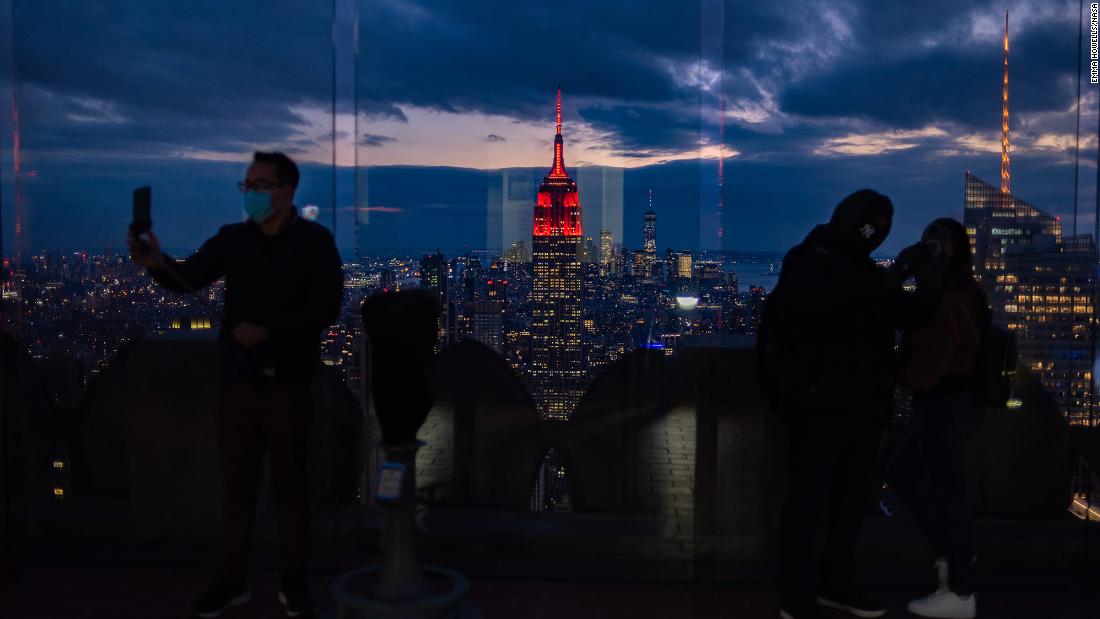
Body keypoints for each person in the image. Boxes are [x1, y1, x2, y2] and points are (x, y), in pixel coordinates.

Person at [128, 151, 344, 619]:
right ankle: (232, 581)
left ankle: (292, 581)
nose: (250, 194)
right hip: (239, 385)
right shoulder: (233, 240)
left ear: (285, 191)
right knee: (238, 489)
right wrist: (155, 262)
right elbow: (189, 279)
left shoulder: (313, 243)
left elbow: (326, 306)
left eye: (259, 185)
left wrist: (269, 332)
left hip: (287, 383)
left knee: (291, 488)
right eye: (246, 186)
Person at [759, 189, 941, 619]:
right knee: (812, 503)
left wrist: (902, 274)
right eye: (875, 225)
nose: (876, 232)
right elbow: (883, 305)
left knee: (843, 504)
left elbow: (892, 308)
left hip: (846, 407)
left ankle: (828, 587)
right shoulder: (816, 261)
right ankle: (801, 595)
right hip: (822, 407)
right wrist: (912, 272)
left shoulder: (821, 261)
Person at [889, 218, 987, 619]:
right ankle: (955, 560)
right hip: (960, 402)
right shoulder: (967, 291)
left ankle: (961, 590)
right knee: (922, 480)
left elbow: (926, 367)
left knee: (942, 491)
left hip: (942, 403)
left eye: (935, 244)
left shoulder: (945, 300)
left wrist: (896, 370)